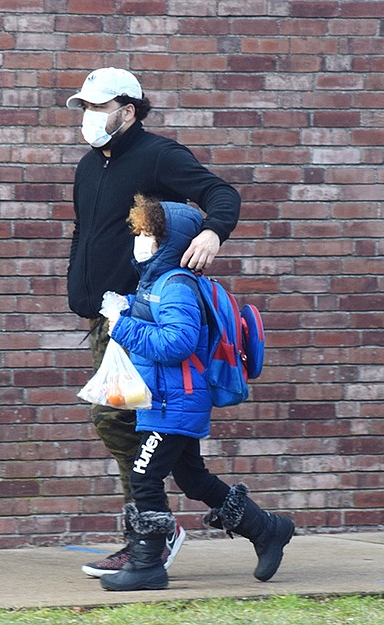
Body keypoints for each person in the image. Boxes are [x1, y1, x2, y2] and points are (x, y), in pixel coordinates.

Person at [65, 67, 241, 576]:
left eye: (100, 108)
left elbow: (220, 194)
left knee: (119, 419)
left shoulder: (160, 154)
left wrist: (211, 234)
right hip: (105, 319)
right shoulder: (87, 166)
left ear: (129, 109)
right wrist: (79, 288)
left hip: (143, 318)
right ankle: (255, 525)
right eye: (85, 109)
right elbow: (87, 233)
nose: (90, 118)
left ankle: (149, 534)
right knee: (164, 445)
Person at [98, 195, 295, 592]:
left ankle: (146, 563)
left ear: (169, 242)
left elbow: (178, 342)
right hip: (170, 399)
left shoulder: (176, 286)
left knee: (144, 475)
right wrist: (129, 307)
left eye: (149, 235)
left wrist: (121, 326)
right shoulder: (160, 281)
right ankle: (267, 530)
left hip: (177, 401)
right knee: (193, 478)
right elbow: (161, 325)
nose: (141, 241)